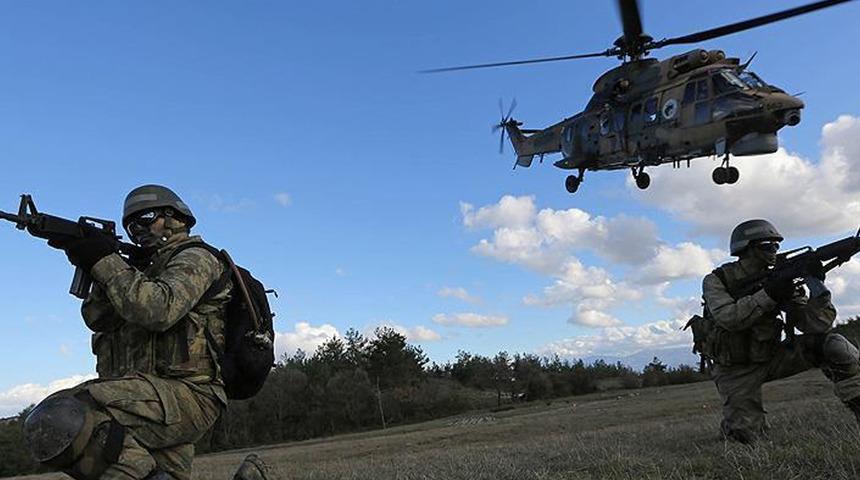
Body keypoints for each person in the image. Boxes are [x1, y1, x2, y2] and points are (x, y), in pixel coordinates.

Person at [22, 185, 270, 480]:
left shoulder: (197, 258)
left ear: (174, 217)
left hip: (187, 396)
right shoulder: (139, 273)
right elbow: (96, 318)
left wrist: (104, 260)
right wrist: (100, 264)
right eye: (130, 224)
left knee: (59, 416)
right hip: (148, 398)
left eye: (146, 217)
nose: (136, 229)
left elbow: (157, 309)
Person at [703, 219, 860, 443]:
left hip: (773, 356)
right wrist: (769, 295)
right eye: (768, 245)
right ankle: (734, 427)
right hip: (735, 370)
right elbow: (729, 318)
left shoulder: (780, 279)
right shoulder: (717, 280)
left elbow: (814, 326)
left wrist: (818, 289)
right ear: (746, 249)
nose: (774, 251)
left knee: (835, 345)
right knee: (744, 438)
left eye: (776, 246)